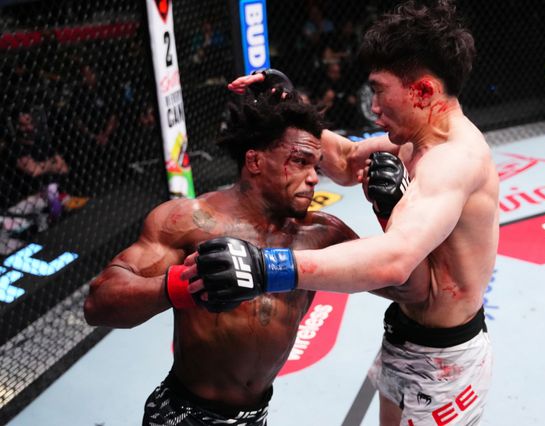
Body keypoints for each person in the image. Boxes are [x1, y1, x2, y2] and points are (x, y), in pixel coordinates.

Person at [200, 1, 499, 425]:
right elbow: (344, 161)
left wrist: (268, 267)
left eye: (379, 90)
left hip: (446, 362)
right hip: (405, 334)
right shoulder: (415, 139)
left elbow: (395, 260)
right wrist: (290, 104)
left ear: (423, 91)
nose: (373, 107)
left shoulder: (455, 160)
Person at [82, 90, 358, 425]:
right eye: (300, 162)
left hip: (255, 416)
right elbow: (98, 303)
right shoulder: (190, 221)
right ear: (254, 161)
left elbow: (398, 282)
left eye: (316, 165)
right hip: (184, 414)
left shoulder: (321, 233)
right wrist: (185, 285)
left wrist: (388, 209)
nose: (314, 177)